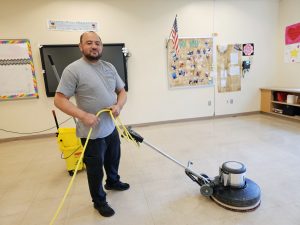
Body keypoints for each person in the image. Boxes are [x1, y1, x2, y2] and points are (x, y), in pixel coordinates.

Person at [54, 31, 129, 217]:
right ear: (81, 47)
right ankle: (99, 201)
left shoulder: (109, 67)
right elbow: (59, 100)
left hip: (110, 127)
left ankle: (113, 181)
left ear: (101, 47)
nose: (94, 46)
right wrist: (83, 115)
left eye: (97, 43)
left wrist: (118, 105)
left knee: (113, 159)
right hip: (91, 133)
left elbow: (122, 91)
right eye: (89, 43)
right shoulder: (73, 70)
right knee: (95, 171)